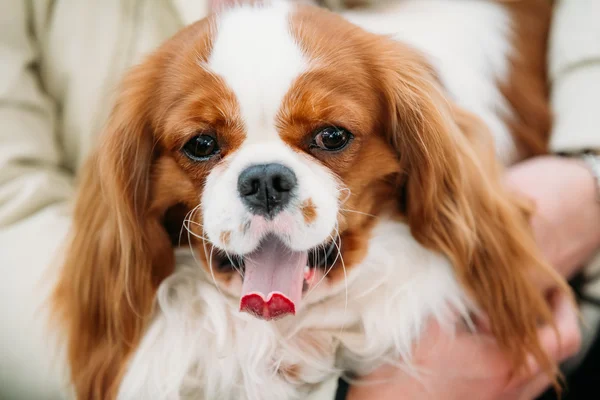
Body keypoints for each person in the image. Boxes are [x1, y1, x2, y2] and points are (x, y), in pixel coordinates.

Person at [0, 0, 598, 399]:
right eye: (202, 145)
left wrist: (589, 176)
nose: (264, 182)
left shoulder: (411, 100)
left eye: (330, 137)